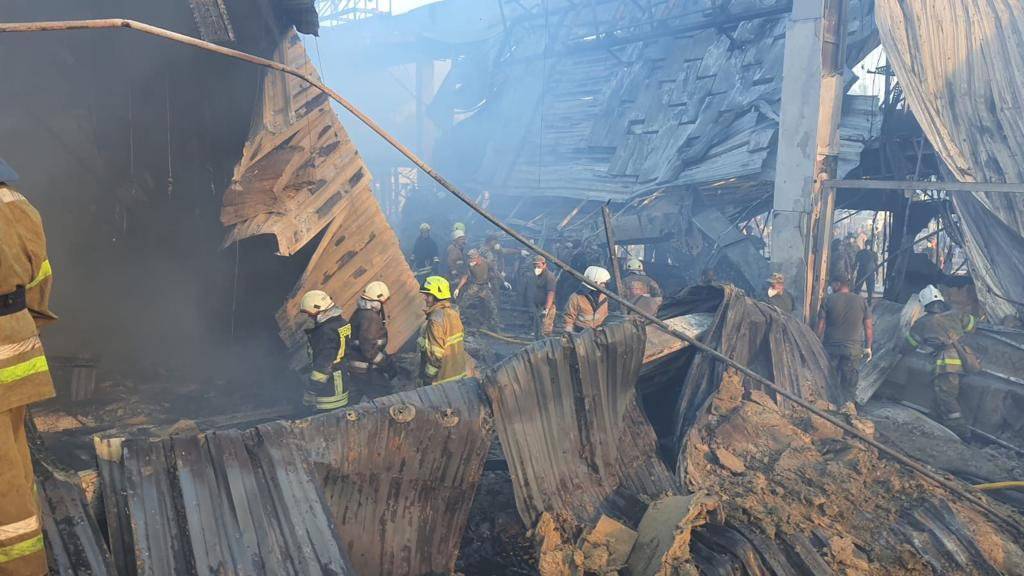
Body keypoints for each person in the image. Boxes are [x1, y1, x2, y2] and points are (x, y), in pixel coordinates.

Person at [0, 159, 56, 574]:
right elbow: (40, 281)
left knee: (5, 482)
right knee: (15, 460)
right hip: (18, 347)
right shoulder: (20, 205)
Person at [904, 285, 978, 438]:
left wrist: (896, 349)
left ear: (925, 304)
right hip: (966, 359)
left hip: (948, 365)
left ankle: (961, 433)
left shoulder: (922, 323)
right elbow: (971, 326)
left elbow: (909, 345)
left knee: (946, 398)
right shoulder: (956, 314)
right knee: (952, 395)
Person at [816, 273, 873, 404]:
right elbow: (868, 327)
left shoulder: (829, 300)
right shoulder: (861, 301)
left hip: (831, 349)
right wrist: (868, 347)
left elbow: (821, 325)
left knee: (829, 380)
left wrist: (816, 342)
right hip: (853, 350)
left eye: (832, 284)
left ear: (837, 284)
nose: (830, 286)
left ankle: (829, 407)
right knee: (849, 383)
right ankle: (847, 408)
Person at [299, 290, 351, 411]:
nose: (309, 317)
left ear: (318, 310)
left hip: (329, 389)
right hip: (341, 377)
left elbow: (323, 365)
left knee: (327, 420)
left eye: (310, 314)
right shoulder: (342, 323)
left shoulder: (325, 332)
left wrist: (311, 390)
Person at [348, 281, 396, 396]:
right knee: (384, 397)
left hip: (358, 368)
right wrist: (387, 365)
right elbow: (369, 350)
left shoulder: (361, 313)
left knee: (356, 398)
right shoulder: (370, 318)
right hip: (366, 370)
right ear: (378, 301)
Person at [418, 276, 467, 385]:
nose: (424, 298)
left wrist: (427, 378)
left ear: (437, 296)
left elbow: (436, 355)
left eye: (427, 295)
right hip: (459, 376)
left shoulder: (435, 320)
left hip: (442, 381)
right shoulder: (453, 313)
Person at [455, 249, 497, 329]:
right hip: (475, 286)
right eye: (470, 257)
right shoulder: (469, 264)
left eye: (473, 257)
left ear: (478, 256)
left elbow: (493, 271)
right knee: (463, 304)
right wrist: (458, 288)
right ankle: (457, 321)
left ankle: (494, 325)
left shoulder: (486, 262)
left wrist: (492, 280)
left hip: (484, 287)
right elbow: (465, 277)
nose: (471, 259)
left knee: (492, 306)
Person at [563, 266, 611, 333]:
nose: (604, 286)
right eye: (603, 283)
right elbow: (569, 317)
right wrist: (569, 332)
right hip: (581, 333)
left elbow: (605, 316)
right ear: (597, 282)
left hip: (599, 332)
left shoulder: (603, 297)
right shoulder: (576, 297)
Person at [527, 255, 557, 338]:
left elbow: (551, 293)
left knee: (545, 332)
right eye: (535, 266)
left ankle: (546, 350)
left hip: (547, 308)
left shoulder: (549, 277)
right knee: (537, 331)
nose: (536, 268)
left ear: (544, 265)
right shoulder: (535, 275)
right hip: (538, 307)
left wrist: (546, 309)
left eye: (539, 266)